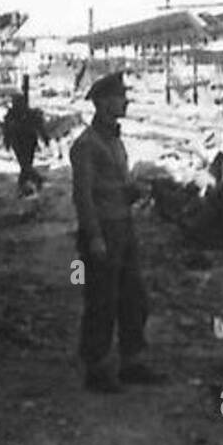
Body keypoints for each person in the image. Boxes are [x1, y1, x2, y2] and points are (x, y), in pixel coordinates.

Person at [69, 72, 158, 392]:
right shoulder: (86, 145)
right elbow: (83, 195)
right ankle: (95, 367)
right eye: (120, 96)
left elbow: (113, 185)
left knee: (133, 297)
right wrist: (93, 237)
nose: (126, 101)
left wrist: (133, 190)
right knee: (101, 301)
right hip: (103, 231)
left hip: (123, 228)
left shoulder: (116, 141)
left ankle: (131, 361)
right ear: (104, 102)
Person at [2, 78, 49, 195]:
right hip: (20, 142)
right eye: (15, 102)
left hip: (27, 141)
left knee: (25, 164)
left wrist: (44, 137)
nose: (17, 105)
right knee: (25, 164)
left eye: (18, 102)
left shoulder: (28, 114)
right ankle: (31, 182)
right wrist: (7, 141)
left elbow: (39, 126)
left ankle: (27, 184)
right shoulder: (12, 115)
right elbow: (7, 129)